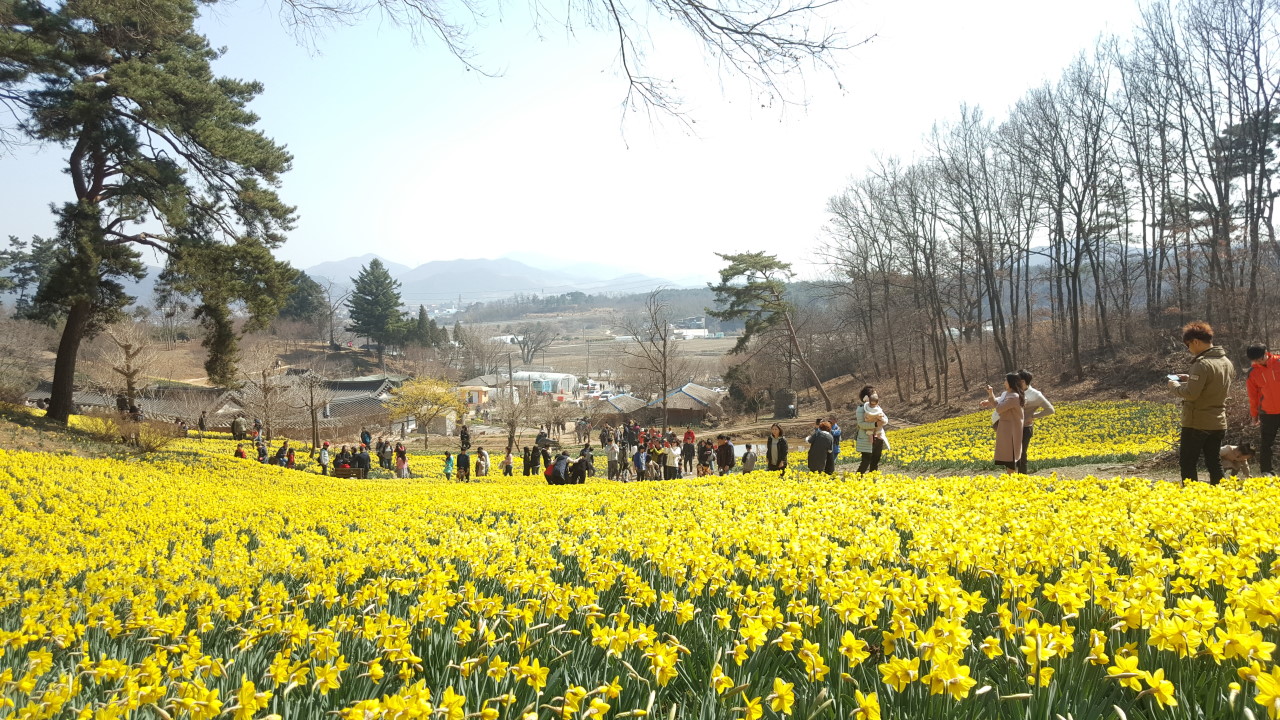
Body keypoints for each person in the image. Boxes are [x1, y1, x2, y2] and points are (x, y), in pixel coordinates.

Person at [1169, 321, 1235, 485]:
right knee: (1214, 461)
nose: (1188, 349)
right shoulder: (1226, 362)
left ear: (1196, 341)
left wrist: (1175, 386)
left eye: (1188, 345)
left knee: (1188, 462)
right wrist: (1191, 379)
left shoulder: (1202, 364)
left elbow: (1191, 394)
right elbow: (1213, 385)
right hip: (1218, 421)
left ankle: (1193, 497)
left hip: (1197, 421)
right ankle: (1220, 494)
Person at [1246, 344, 1280, 475]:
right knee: (1267, 444)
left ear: (1267, 352)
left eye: (1261, 358)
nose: (1260, 362)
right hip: (1268, 413)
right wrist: (1254, 415)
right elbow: (1253, 397)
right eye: (1256, 360)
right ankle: (1267, 472)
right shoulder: (1252, 373)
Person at [981, 373, 1025, 473]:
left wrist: (991, 395)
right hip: (1008, 429)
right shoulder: (1008, 394)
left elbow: (999, 408)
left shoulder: (1013, 396)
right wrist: (990, 393)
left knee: (1011, 456)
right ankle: (1010, 480)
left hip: (1011, 430)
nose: (1004, 382)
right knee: (1009, 456)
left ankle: (1010, 482)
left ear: (1010, 383)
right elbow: (998, 404)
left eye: (1006, 380)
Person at [1015, 369, 1055, 474]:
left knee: (1021, 453)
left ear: (1023, 381)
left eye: (1017, 380)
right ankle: (1011, 479)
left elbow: (1050, 410)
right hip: (1012, 426)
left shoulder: (1036, 395)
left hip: (1025, 428)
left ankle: (1022, 477)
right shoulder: (1015, 391)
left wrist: (1033, 416)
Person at [855, 388, 888, 473]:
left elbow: (886, 420)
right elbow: (861, 424)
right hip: (866, 438)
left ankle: (873, 480)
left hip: (878, 437)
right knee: (866, 461)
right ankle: (857, 479)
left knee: (875, 460)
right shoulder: (861, 408)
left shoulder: (877, 407)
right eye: (874, 394)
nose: (876, 396)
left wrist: (882, 421)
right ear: (867, 397)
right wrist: (875, 424)